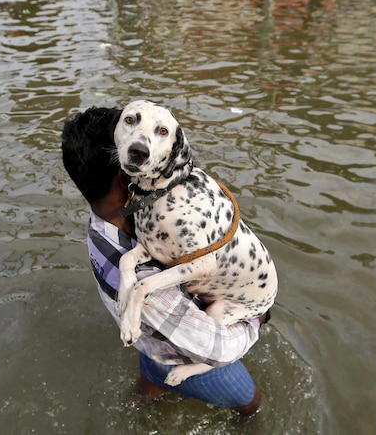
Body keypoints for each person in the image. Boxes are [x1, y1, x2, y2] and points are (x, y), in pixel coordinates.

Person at [61, 106, 267, 416]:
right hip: (178, 348)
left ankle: (134, 408)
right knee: (252, 404)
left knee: (146, 391)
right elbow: (219, 348)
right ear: (128, 170)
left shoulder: (104, 225)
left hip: (149, 339)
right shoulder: (145, 282)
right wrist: (257, 319)